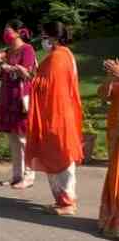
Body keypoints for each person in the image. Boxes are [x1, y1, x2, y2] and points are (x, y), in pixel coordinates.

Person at [26, 22, 83, 216]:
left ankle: (67, 202)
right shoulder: (64, 54)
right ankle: (63, 200)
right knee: (57, 153)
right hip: (59, 111)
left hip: (57, 113)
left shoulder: (58, 57)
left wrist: (28, 76)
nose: (42, 40)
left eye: (43, 36)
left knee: (60, 155)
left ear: (53, 37)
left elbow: (47, 86)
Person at [0, 21, 37, 189]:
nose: (5, 33)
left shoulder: (27, 49)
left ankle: (29, 175)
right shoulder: (7, 51)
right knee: (13, 138)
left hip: (21, 97)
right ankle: (16, 175)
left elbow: (28, 73)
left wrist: (11, 68)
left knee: (23, 138)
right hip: (8, 96)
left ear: (19, 32)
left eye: (8, 30)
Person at [98, 57, 119, 236]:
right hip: (115, 128)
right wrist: (110, 78)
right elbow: (104, 97)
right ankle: (112, 219)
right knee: (115, 172)